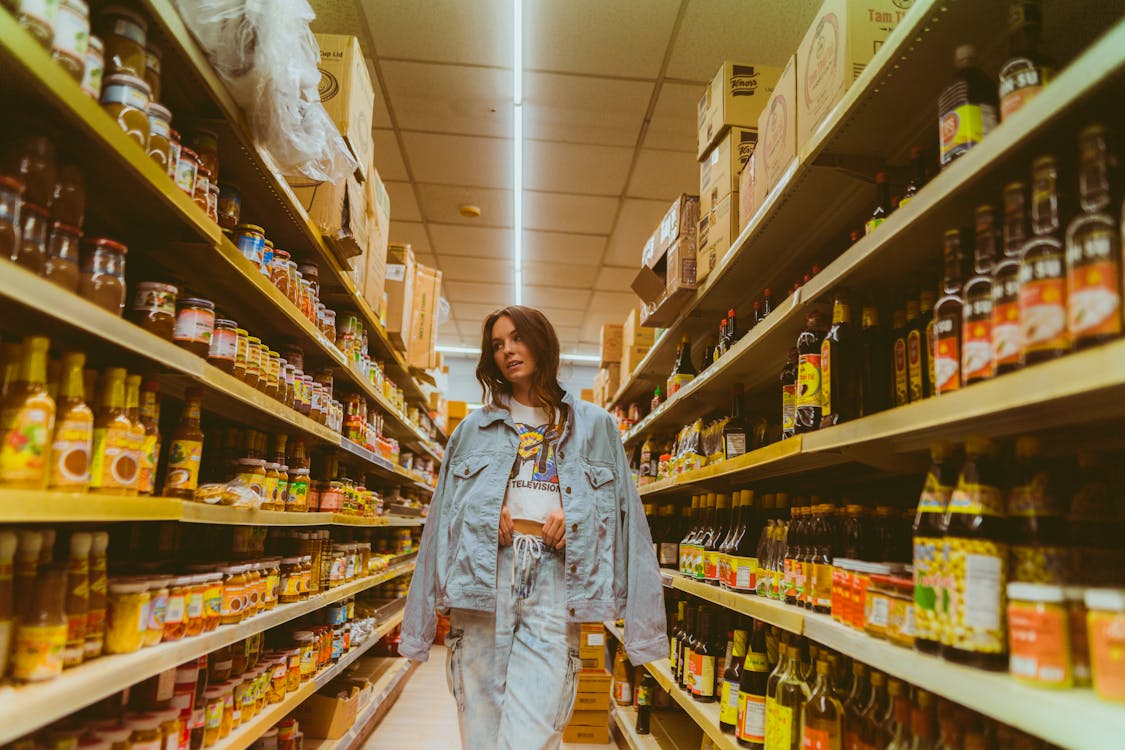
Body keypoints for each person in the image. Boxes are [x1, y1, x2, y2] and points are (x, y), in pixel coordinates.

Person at [399, 305, 666, 750]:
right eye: (498, 345)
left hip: (556, 581)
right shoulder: (471, 430)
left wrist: (573, 516)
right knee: (482, 736)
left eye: (517, 338)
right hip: (485, 579)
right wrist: (417, 629)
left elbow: (630, 525)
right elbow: (440, 524)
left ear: (542, 342)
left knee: (533, 734)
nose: (508, 351)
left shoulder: (596, 426)